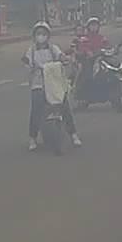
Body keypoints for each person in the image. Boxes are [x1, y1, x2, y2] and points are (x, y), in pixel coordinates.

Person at [22, 21, 81, 150]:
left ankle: (73, 134)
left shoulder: (53, 48)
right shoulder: (31, 51)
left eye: (43, 33)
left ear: (48, 36)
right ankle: (32, 138)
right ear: (34, 36)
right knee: (36, 109)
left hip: (54, 82)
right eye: (38, 33)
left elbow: (61, 56)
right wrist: (28, 65)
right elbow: (27, 63)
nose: (41, 36)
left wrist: (65, 59)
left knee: (64, 105)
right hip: (38, 83)